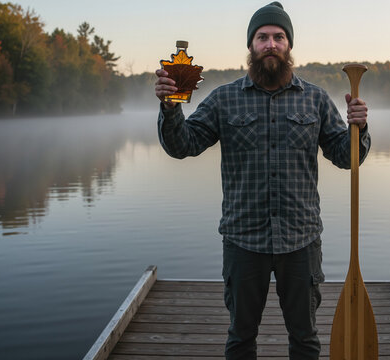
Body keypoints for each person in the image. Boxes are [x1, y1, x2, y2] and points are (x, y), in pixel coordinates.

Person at [154, 2, 370, 359]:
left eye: (278, 37)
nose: (270, 43)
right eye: (262, 37)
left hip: (301, 242)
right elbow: (183, 146)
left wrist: (359, 129)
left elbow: (348, 158)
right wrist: (170, 108)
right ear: (251, 46)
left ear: (289, 45)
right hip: (243, 242)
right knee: (241, 338)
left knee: (305, 339)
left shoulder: (315, 99)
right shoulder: (224, 99)